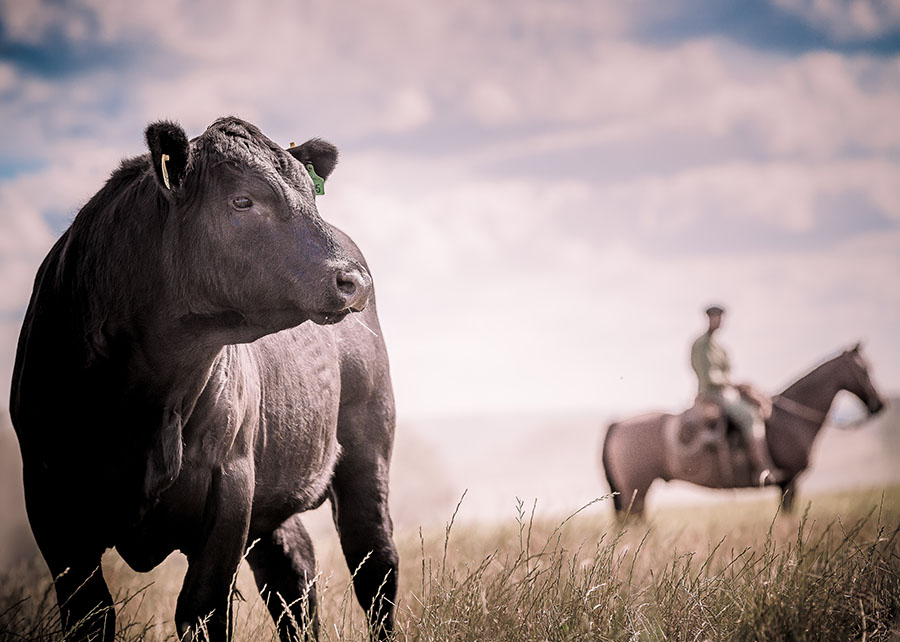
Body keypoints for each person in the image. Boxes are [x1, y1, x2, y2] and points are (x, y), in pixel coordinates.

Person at [690, 304, 783, 486]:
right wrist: (732, 383)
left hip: (726, 390)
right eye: (715, 317)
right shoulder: (701, 344)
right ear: (708, 319)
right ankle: (762, 468)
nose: (719, 321)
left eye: (721, 317)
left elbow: (728, 370)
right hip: (712, 393)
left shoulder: (719, 346)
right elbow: (707, 375)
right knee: (749, 416)